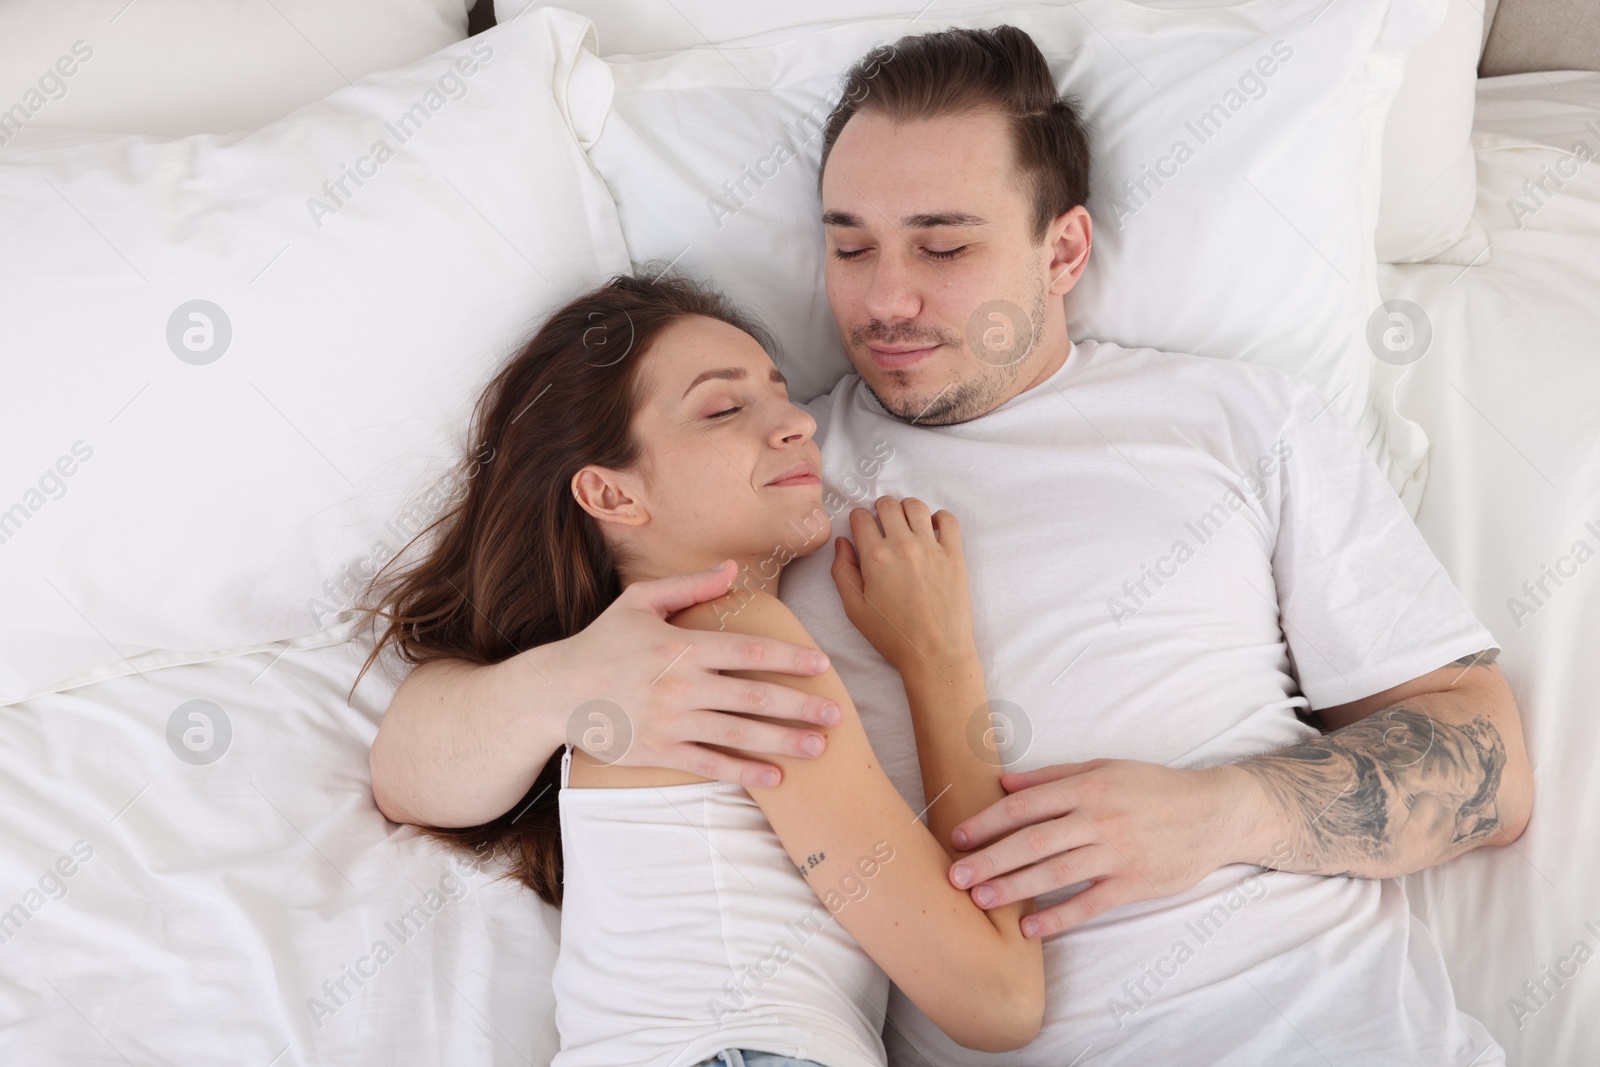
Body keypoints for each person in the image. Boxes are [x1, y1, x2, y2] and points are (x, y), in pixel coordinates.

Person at [369, 25, 1532, 1066]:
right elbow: (417, 755)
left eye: (942, 247)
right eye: (851, 245)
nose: (885, 301)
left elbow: (1485, 759)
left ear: (1062, 252)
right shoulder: (756, 483)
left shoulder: (1241, 421)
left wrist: (1227, 811)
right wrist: (570, 682)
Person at [359, 272, 1046, 1067]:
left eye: (782, 394)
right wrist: (940, 658)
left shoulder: (664, 665)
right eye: (724, 408)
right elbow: (998, 1001)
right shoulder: (732, 639)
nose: (795, 422)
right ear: (612, 494)